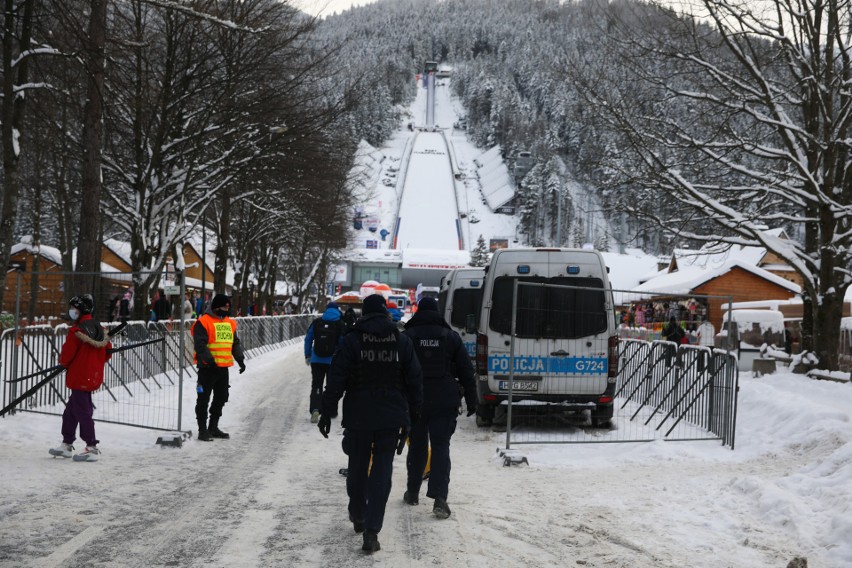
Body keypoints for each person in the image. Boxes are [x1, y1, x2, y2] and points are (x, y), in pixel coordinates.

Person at [318, 294, 423, 554]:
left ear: (364, 313)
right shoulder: (401, 340)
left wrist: (327, 410)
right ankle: (372, 531)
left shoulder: (353, 340)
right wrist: (414, 413)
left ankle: (358, 513)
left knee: (357, 465)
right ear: (386, 314)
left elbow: (337, 376)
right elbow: (414, 380)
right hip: (391, 415)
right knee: (382, 471)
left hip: (359, 415)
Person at [401, 297, 476, 519]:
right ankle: (440, 498)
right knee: (441, 446)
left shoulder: (408, 336)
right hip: (445, 398)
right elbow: (466, 370)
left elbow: (398, 370)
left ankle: (413, 491)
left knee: (417, 445)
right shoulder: (450, 336)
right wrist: (471, 400)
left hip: (416, 399)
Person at [49, 294, 113, 462]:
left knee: (83, 412)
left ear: (81, 310)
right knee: (70, 412)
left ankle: (91, 446)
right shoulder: (98, 328)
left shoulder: (77, 331)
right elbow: (107, 353)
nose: (71, 311)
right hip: (92, 376)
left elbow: (67, 355)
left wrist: (65, 362)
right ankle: (67, 444)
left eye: (73, 309)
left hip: (79, 377)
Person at [192, 294, 246, 441]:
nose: (227, 310)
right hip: (207, 369)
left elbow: (234, 343)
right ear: (216, 307)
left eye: (228, 307)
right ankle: (202, 430)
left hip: (223, 369)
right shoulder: (203, 322)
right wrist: (210, 362)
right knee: (203, 399)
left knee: (221, 397)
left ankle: (213, 427)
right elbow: (200, 345)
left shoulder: (230, 323)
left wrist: (240, 359)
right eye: (224, 307)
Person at [304, 301, 345, 423]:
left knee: (317, 385)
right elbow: (343, 342)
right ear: (337, 310)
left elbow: (308, 339)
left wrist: (308, 355)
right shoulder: (340, 324)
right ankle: (330, 411)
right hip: (333, 360)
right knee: (332, 386)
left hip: (317, 360)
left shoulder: (317, 322)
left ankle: (315, 409)